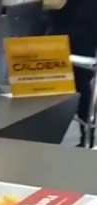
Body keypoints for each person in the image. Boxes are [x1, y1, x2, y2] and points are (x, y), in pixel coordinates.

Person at [49, 0, 97, 145]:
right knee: (81, 87)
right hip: (57, 45)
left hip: (78, 47)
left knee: (80, 85)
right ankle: (87, 136)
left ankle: (87, 135)